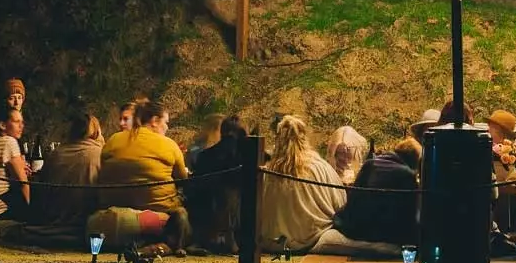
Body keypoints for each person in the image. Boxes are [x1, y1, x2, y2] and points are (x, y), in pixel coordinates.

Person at [99, 100, 192, 252]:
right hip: (159, 211)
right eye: (166, 122)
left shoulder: (113, 140)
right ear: (155, 121)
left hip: (111, 209)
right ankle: (167, 246)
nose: (167, 127)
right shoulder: (168, 144)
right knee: (183, 213)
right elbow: (183, 180)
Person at [258, 115, 345, 253]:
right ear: (304, 138)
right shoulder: (319, 166)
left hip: (273, 242)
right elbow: (340, 203)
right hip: (313, 238)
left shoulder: (269, 171)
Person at [331, 136, 422, 246]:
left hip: (355, 227)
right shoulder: (407, 175)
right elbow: (410, 214)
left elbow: (353, 199)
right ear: (414, 161)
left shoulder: (370, 164)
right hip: (380, 232)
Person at [29, 110, 102, 229]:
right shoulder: (100, 153)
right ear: (96, 131)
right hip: (85, 223)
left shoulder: (56, 154)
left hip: (53, 221)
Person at [189, 114, 249, 252]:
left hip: (206, 222)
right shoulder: (248, 157)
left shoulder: (204, 156)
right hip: (240, 223)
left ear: (222, 131)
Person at [486, 110, 516, 237]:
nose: (488, 129)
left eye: (491, 127)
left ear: (500, 130)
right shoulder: (487, 148)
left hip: (510, 198)